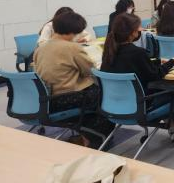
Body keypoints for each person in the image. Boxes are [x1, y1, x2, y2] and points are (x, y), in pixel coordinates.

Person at [100, 13, 174, 141]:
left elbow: (135, 65)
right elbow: (155, 75)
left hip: (113, 108)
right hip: (140, 106)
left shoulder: (109, 52)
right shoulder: (137, 52)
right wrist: (173, 61)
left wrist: (158, 61)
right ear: (132, 32)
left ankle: (173, 126)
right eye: (138, 29)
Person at [32, 11, 114, 146]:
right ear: (71, 31)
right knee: (106, 97)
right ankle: (96, 137)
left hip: (48, 99)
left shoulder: (40, 48)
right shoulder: (72, 48)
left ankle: (86, 134)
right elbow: (90, 70)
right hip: (69, 97)